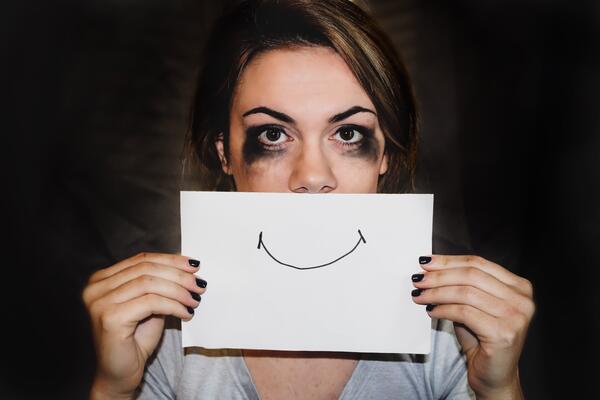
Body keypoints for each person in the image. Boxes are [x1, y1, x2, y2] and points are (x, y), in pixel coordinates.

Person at [82, 0, 535, 398]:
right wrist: (114, 389)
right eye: (274, 134)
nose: (313, 176)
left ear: (386, 156)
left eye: (348, 133)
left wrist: (498, 389)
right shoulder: (165, 334)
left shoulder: (451, 335)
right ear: (225, 153)